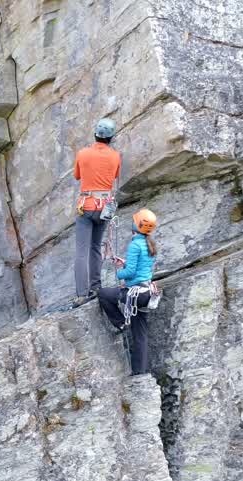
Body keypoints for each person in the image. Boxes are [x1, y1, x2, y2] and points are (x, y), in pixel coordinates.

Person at [98, 208, 158, 375]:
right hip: (146, 294)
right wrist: (125, 263)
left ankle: (120, 322)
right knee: (140, 333)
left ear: (137, 225)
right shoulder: (150, 244)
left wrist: (119, 272)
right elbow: (141, 270)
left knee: (103, 294)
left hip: (136, 294)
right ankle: (140, 372)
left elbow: (130, 273)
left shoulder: (135, 245)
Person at [72, 118, 122, 304]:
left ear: (95, 134)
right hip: (104, 208)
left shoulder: (83, 153)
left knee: (81, 251)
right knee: (95, 248)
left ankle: (82, 294)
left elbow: (77, 175)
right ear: (111, 137)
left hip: (86, 205)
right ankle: (96, 286)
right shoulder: (115, 156)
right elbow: (115, 175)